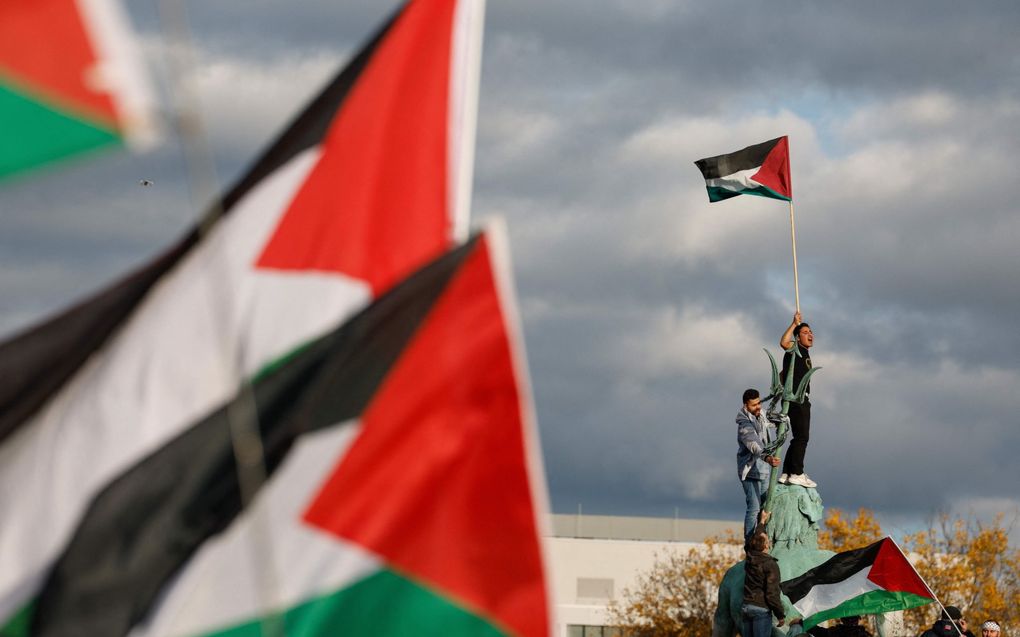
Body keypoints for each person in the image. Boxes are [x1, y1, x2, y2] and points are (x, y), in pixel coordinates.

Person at [779, 310, 816, 488]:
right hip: (798, 399)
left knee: (797, 438)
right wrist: (794, 324)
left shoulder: (805, 353)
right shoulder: (796, 348)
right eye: (805, 332)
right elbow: (784, 342)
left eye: (811, 332)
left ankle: (787, 471)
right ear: (797, 337)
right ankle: (797, 472)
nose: (810, 334)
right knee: (802, 437)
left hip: (797, 398)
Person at [737, 388, 781, 539]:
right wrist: (768, 457)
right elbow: (754, 444)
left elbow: (773, 422)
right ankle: (750, 544)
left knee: (767, 507)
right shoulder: (744, 425)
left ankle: (765, 539)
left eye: (759, 403)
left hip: (765, 471)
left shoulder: (761, 414)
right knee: (754, 508)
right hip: (750, 472)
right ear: (745, 406)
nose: (758, 407)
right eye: (753, 405)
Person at [742, 516, 785, 637]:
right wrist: (780, 615)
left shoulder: (750, 556)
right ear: (766, 545)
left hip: (746, 607)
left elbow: (757, 535)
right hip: (761, 609)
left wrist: (761, 521)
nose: (769, 541)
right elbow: (772, 593)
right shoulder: (770, 565)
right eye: (767, 540)